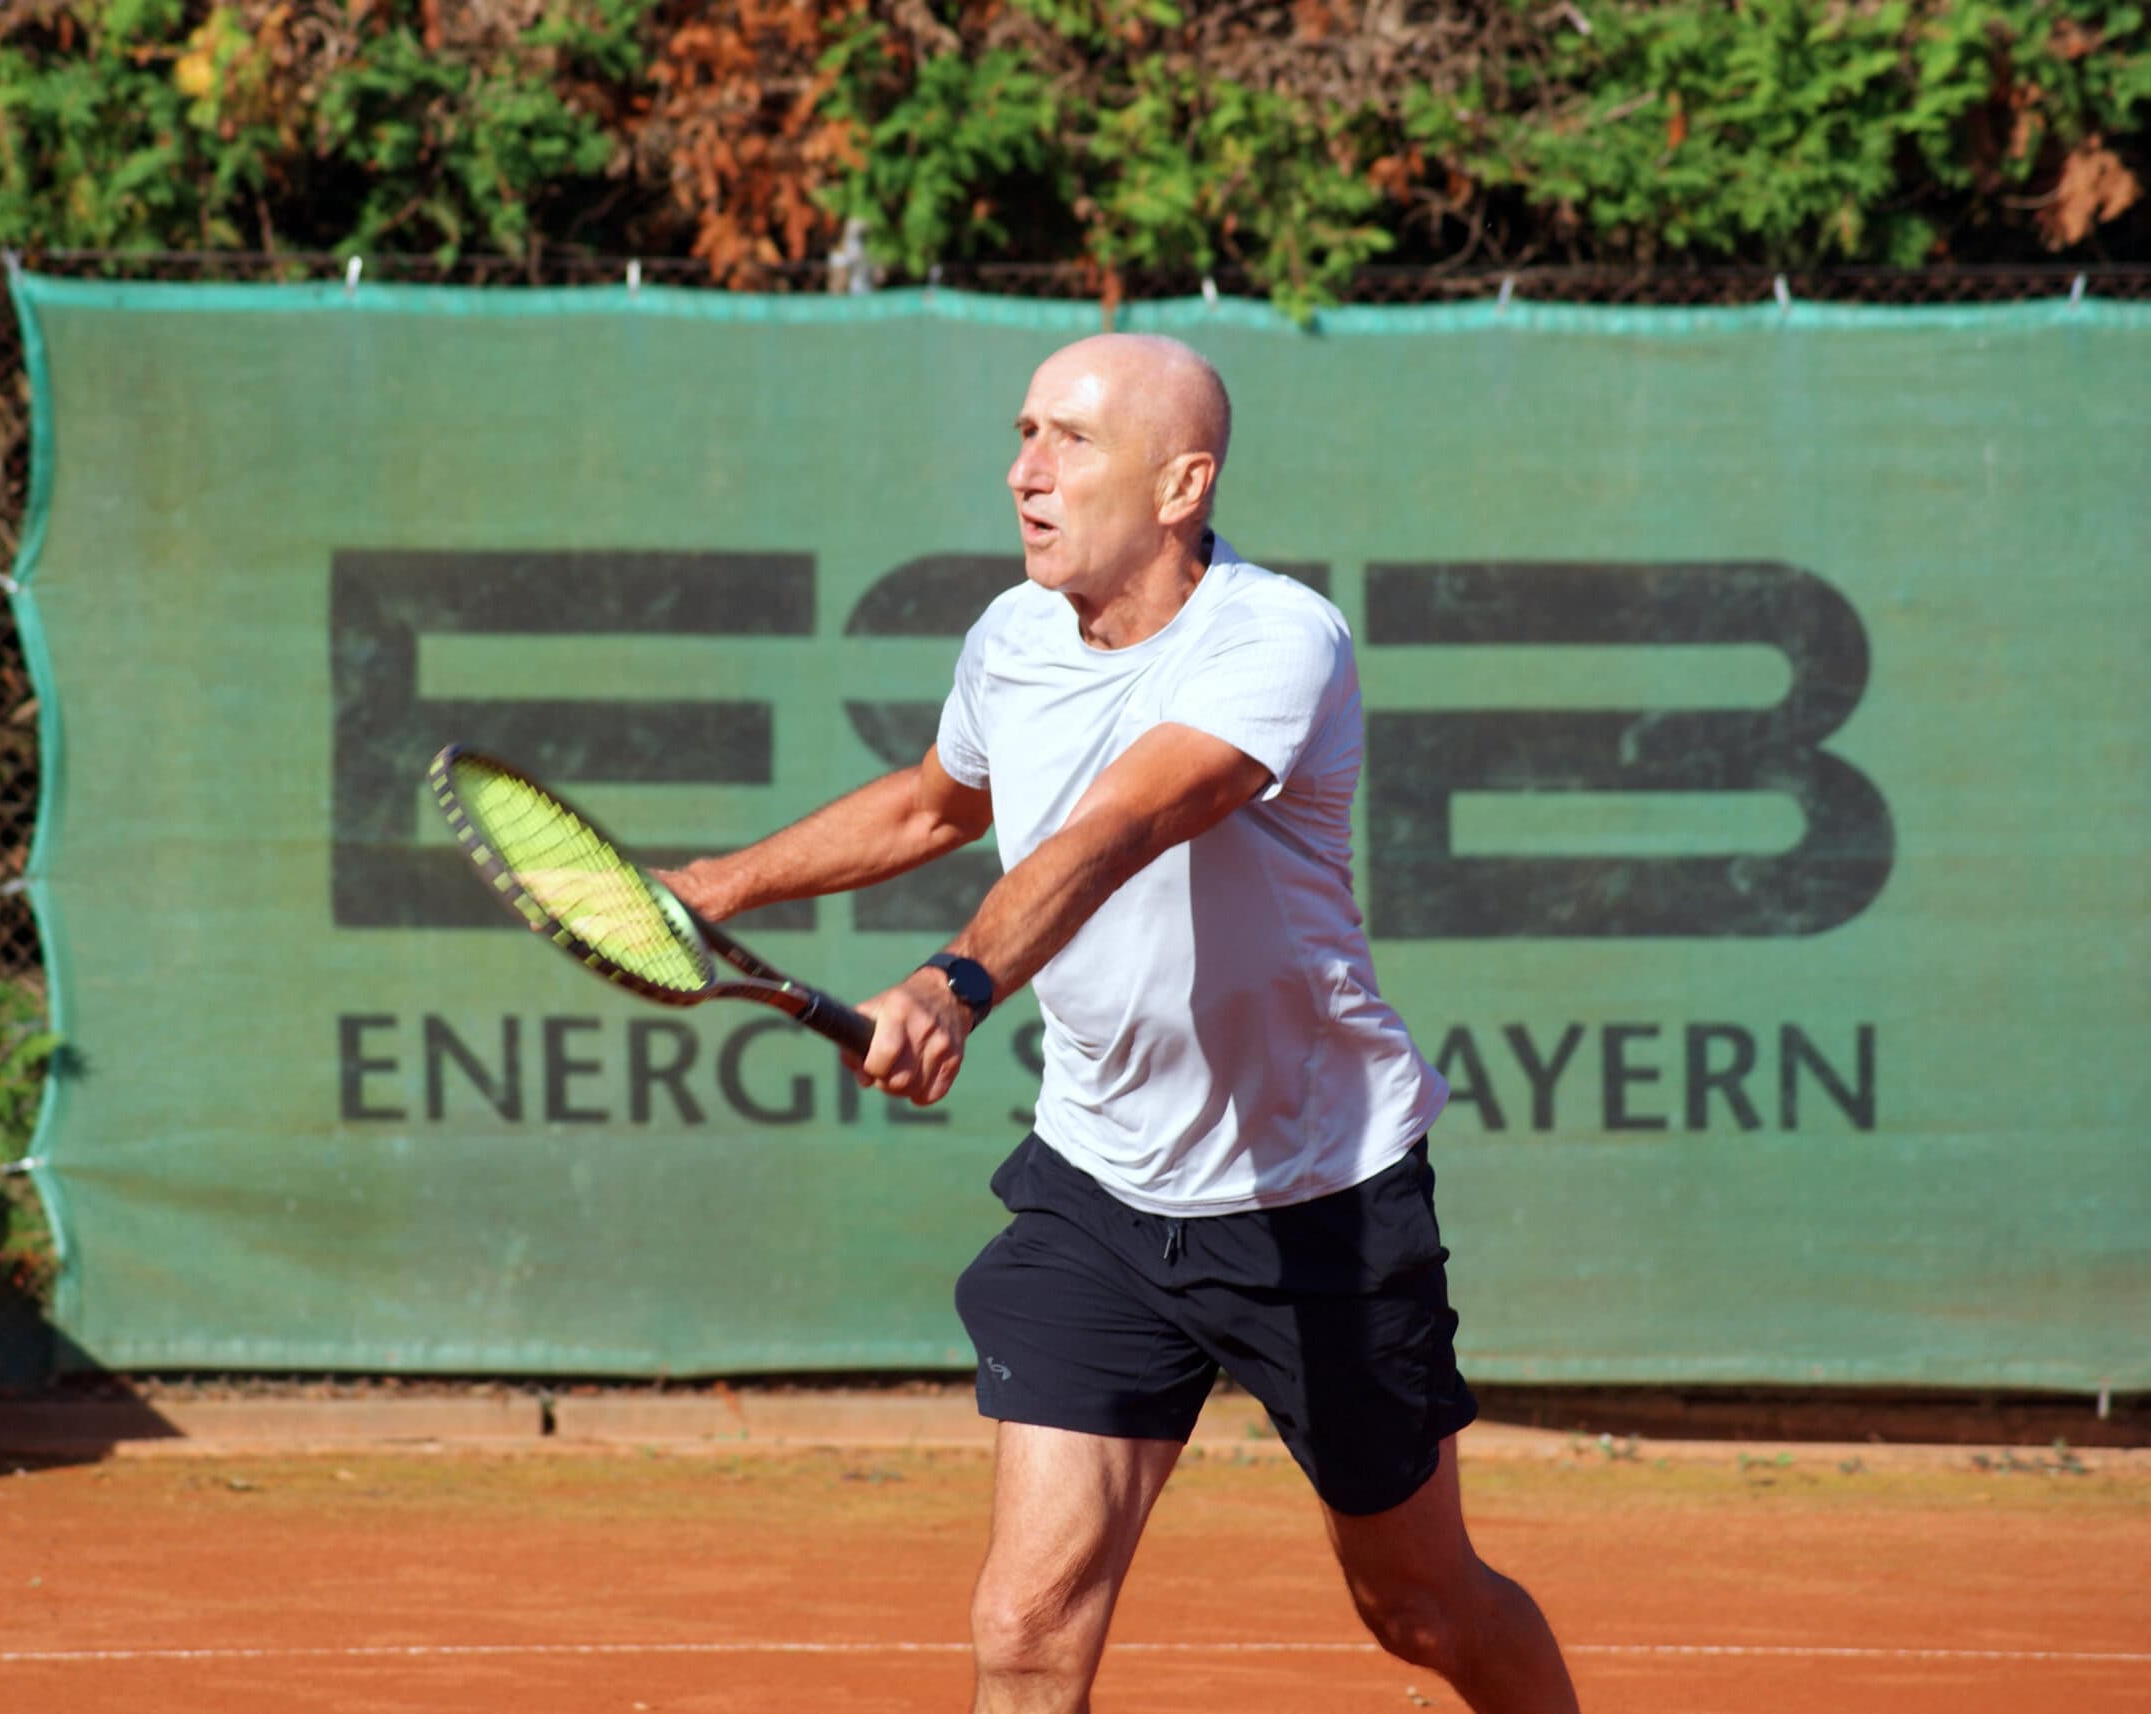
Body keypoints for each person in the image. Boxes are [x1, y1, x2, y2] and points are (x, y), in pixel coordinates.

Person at [658, 333, 1580, 1714]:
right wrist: (715, 887)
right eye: (1025, 434)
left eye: (1071, 441)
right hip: (1099, 1190)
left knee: (1419, 1602)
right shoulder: (1011, 637)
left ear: (1180, 484)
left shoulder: (1278, 638)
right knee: (1027, 1623)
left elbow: (1120, 825)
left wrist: (954, 982)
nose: (1025, 474)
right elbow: (933, 803)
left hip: (1314, 1198)